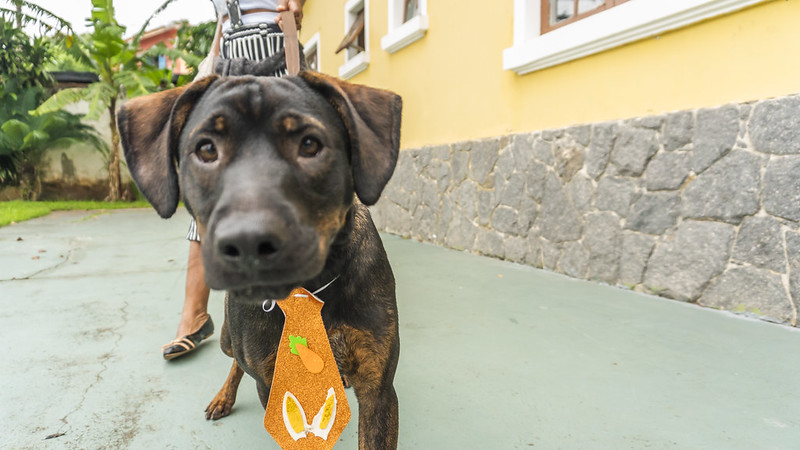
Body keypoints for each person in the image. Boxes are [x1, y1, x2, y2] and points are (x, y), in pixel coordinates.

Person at [162, 0, 306, 360]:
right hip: (226, 59)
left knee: (291, 194)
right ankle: (193, 315)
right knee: (214, 192)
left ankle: (313, 330)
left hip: (277, 53)